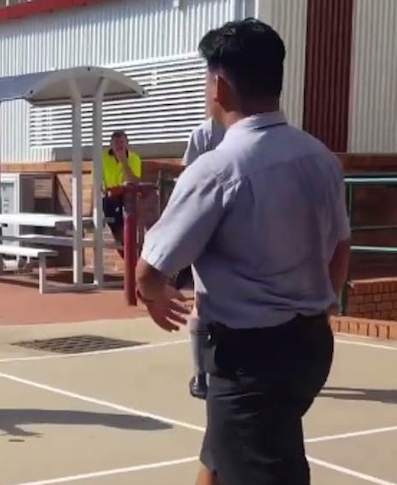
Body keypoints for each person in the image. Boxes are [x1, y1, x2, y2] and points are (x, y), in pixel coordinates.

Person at [134, 18, 349, 485]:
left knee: (262, 466)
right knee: (218, 458)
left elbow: (151, 269)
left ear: (221, 85)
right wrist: (319, 305)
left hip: (251, 360)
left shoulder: (217, 169)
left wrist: (155, 296)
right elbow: (341, 245)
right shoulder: (320, 158)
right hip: (310, 347)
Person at [176, 117, 226, 400]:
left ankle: (202, 376)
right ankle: (203, 374)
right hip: (237, 227)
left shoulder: (204, 133)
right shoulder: (207, 133)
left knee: (203, 302)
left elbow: (189, 185)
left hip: (210, 226)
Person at [100, 130, 142, 257]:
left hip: (128, 197)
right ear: (111, 145)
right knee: (119, 236)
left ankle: (133, 262)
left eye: (121, 143)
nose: (119, 147)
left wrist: (124, 162)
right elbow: (98, 183)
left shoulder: (134, 158)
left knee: (130, 233)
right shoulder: (102, 158)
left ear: (127, 144)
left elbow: (134, 181)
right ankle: (129, 260)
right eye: (116, 144)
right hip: (111, 198)